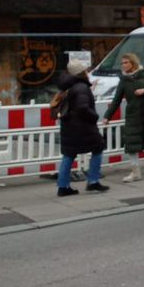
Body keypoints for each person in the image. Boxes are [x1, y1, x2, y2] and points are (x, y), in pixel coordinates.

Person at [102, 53, 144, 182]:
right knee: (131, 143)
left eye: (126, 62)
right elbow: (116, 100)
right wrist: (107, 116)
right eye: (122, 63)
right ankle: (135, 171)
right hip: (133, 115)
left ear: (133, 63)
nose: (123, 65)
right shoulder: (123, 80)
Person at [53, 62, 109, 196]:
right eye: (86, 70)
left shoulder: (67, 86)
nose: (88, 72)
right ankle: (93, 181)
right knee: (98, 149)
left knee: (69, 155)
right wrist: (94, 116)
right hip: (83, 127)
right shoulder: (82, 87)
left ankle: (63, 186)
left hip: (68, 126)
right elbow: (83, 107)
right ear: (82, 72)